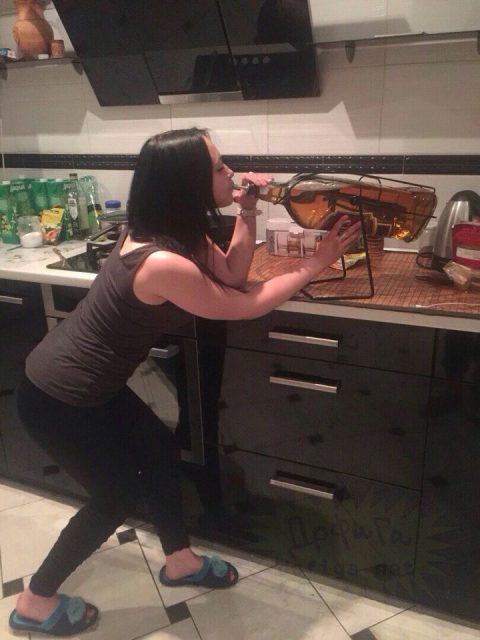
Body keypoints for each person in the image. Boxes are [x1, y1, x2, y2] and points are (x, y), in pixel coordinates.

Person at [9, 127, 361, 637]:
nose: (230, 172)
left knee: (157, 448)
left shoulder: (173, 229)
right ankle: (35, 601)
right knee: (114, 497)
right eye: (218, 167)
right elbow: (245, 304)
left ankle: (179, 560)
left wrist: (247, 211)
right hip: (56, 397)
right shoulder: (160, 261)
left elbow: (233, 276)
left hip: (91, 386)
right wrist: (314, 264)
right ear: (188, 181)